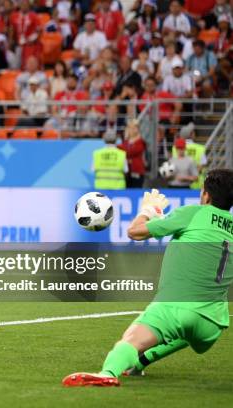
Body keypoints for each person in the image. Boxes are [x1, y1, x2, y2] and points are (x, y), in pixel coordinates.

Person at [63, 168, 233, 386]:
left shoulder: (193, 213)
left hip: (176, 307)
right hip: (213, 322)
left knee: (132, 339)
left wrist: (148, 210)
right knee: (186, 332)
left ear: (206, 195)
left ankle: (108, 373)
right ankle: (141, 363)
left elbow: (134, 231)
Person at [118, 119, 146, 188]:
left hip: (136, 172)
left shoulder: (140, 142)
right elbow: (120, 150)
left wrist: (124, 150)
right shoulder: (126, 142)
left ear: (137, 129)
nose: (131, 130)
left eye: (134, 127)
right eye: (129, 127)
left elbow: (131, 152)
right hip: (126, 172)